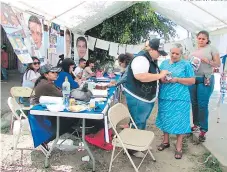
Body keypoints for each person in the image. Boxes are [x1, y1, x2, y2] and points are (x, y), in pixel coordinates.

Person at [123, 38, 169, 158]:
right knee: (138, 121)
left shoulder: (151, 59)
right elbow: (141, 76)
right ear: (152, 49)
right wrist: (160, 75)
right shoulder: (141, 59)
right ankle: (132, 149)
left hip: (144, 97)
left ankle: (138, 144)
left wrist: (160, 77)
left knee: (139, 121)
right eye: (159, 52)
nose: (160, 55)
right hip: (138, 96)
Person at [156, 43, 195, 159]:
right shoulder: (164, 63)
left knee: (180, 121)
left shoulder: (186, 64)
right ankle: (165, 141)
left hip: (180, 98)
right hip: (165, 96)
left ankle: (179, 147)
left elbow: (192, 80)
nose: (174, 55)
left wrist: (177, 79)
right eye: (172, 53)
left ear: (181, 54)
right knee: (165, 118)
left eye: (177, 53)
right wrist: (163, 80)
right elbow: (159, 78)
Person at [31, 64, 78, 149]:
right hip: (42, 114)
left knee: (70, 119)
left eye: (56, 72)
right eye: (53, 72)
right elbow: (62, 95)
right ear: (45, 75)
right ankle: (45, 140)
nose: (56, 74)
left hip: (45, 109)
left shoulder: (45, 82)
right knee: (71, 120)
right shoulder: (47, 85)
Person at [188, 30, 220, 142]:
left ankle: (203, 129)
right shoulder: (193, 50)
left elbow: (218, 64)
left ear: (207, 39)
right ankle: (196, 124)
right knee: (194, 103)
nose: (201, 40)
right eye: (199, 38)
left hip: (205, 79)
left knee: (202, 104)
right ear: (197, 39)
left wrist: (208, 61)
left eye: (203, 38)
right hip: (193, 80)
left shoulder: (212, 49)